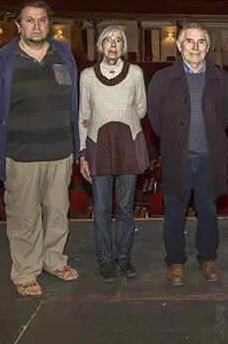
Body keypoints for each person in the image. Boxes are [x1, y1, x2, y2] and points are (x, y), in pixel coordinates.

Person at [0, 0, 80, 297]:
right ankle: (25, 272)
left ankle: (54, 261)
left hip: (61, 151)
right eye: (30, 20)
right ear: (18, 25)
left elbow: (72, 97)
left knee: (58, 212)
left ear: (49, 24)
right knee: (25, 216)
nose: (36, 25)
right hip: (21, 154)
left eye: (42, 20)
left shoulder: (63, 54)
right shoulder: (3, 60)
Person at [147, 23, 228, 287]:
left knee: (208, 212)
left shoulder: (224, 80)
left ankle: (207, 258)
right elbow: (155, 118)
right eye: (190, 42)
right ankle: (175, 261)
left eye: (201, 42)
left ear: (208, 47)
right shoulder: (162, 79)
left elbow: (226, 116)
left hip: (210, 159)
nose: (195, 47)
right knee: (174, 213)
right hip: (178, 157)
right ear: (179, 45)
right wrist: (176, 142)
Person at [79, 26, 148, 282]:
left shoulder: (136, 74)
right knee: (101, 209)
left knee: (127, 208)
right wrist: (83, 153)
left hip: (128, 143)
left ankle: (124, 256)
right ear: (100, 46)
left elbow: (141, 109)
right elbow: (82, 116)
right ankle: (105, 259)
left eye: (119, 40)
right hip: (98, 144)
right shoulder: (86, 76)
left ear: (124, 46)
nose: (113, 44)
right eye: (108, 40)